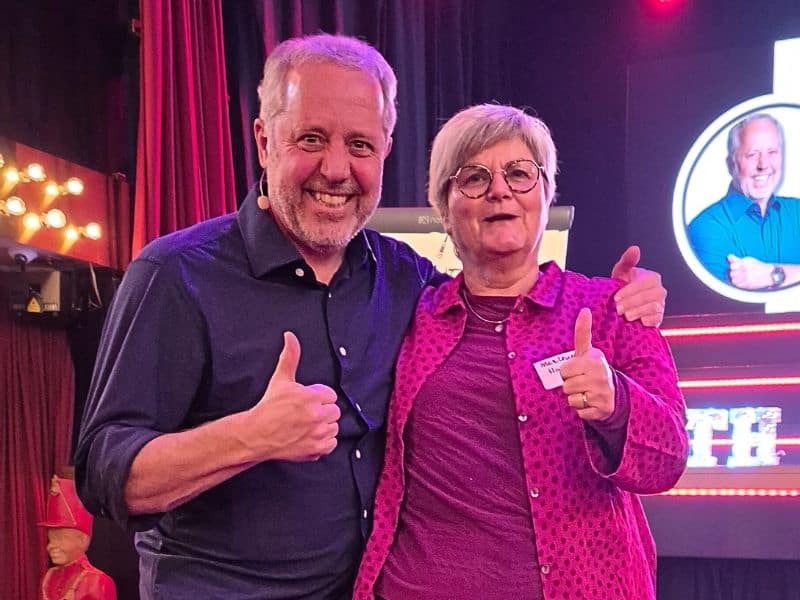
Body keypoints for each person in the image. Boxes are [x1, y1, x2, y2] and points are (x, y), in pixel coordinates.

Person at [75, 34, 668, 599]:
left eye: (359, 145)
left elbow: (504, 286)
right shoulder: (176, 274)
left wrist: (619, 299)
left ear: (383, 151)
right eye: (310, 138)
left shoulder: (406, 280)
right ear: (262, 141)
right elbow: (104, 473)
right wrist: (248, 437)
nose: (336, 169)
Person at [353, 104, 688, 600]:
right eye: (473, 177)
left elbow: (669, 460)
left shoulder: (611, 310)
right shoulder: (405, 314)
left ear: (546, 195)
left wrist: (617, 404)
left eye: (519, 174)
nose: (499, 190)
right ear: (444, 208)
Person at [687, 113, 800, 289]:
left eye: (772, 152)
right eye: (752, 154)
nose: (764, 164)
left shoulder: (797, 211)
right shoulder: (705, 227)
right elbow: (723, 308)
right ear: (731, 165)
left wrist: (774, 274)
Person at [38, 475, 116, 600]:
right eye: (50, 539)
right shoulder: (48, 579)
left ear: (82, 540)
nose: (50, 546)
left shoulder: (97, 582)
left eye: (59, 538)